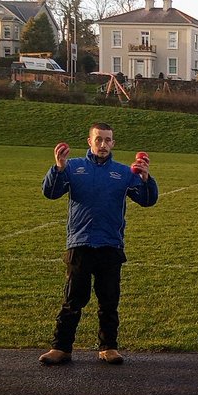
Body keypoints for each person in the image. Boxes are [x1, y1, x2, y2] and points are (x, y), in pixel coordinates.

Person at [38, 123, 158, 366]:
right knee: (73, 300)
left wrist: (146, 179)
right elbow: (50, 192)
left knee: (109, 301)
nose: (103, 145)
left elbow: (147, 200)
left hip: (110, 244)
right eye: (98, 139)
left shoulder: (124, 172)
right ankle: (61, 347)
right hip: (80, 243)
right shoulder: (73, 167)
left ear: (113, 143)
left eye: (107, 140)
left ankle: (108, 347)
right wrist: (58, 167)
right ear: (89, 141)